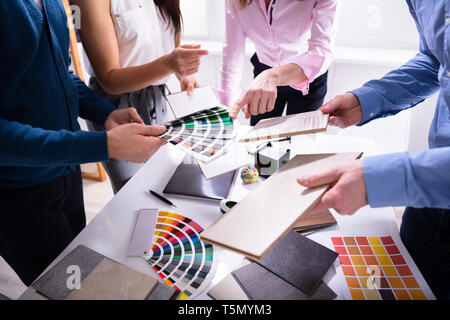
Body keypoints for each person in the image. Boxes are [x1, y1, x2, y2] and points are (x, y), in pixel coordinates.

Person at [0, 0, 167, 286]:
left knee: (83, 278)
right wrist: (101, 145)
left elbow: (62, 71)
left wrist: (105, 113)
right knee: (70, 290)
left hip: (66, 174)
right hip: (17, 191)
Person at [295, 0, 449, 299]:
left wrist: (379, 180)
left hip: (427, 177)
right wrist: (368, 99)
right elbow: (435, 61)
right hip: (426, 197)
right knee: (400, 286)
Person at [73, 0, 208, 193]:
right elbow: (109, 79)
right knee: (136, 195)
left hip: (160, 98)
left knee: (168, 190)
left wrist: (184, 73)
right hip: (118, 108)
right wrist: (170, 64)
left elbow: (169, 44)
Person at [220, 0, 339, 125]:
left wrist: (272, 76)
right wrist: (227, 108)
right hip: (263, 75)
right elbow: (233, 51)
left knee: (299, 140)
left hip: (307, 77)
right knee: (257, 138)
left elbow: (321, 51)